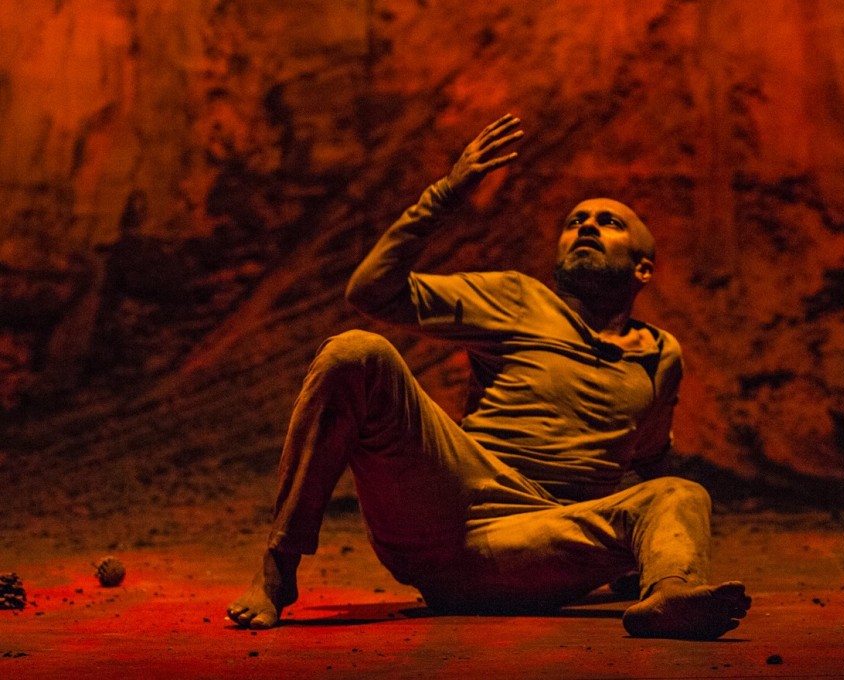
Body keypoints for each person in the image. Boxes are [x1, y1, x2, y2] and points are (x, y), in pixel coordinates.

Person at [227, 114, 751, 639]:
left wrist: (644, 553)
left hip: (546, 547)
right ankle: (278, 568)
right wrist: (446, 193)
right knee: (356, 351)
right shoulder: (515, 298)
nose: (586, 226)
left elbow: (650, 461)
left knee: (681, 492)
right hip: (449, 517)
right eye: (575, 222)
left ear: (643, 269)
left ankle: (671, 593)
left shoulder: (661, 354)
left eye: (609, 223)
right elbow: (372, 292)